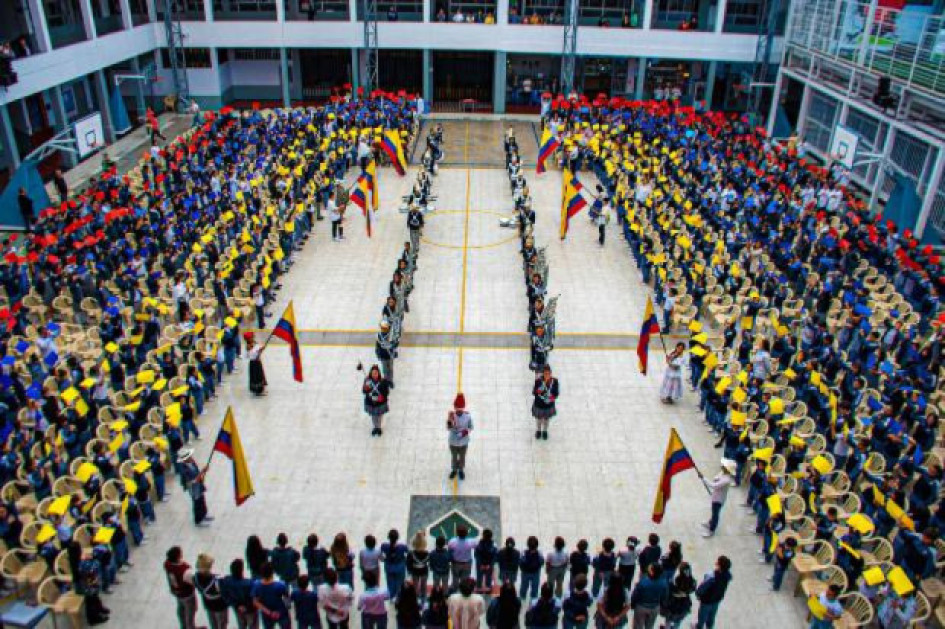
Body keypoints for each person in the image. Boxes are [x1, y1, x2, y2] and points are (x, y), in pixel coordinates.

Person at [164, 546, 198, 629]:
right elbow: (193, 581)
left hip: (176, 591)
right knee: (190, 612)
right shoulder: (184, 569)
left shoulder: (167, 564)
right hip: (187, 594)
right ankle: (191, 627)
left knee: (181, 610)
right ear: (178, 557)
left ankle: (184, 626)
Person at [693, 556, 731, 629]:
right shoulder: (727, 576)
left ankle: (699, 627)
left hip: (707, 601)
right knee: (712, 616)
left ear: (719, 566)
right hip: (717, 599)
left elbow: (702, 588)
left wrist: (698, 594)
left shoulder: (711, 577)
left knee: (702, 616)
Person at [700, 460, 736, 538]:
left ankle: (712, 530)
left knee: (715, 514)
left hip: (718, 500)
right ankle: (710, 522)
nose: (722, 466)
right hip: (715, 496)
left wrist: (704, 479)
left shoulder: (726, 480)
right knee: (713, 512)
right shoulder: (722, 473)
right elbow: (715, 478)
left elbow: (714, 485)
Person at [220, 558, 258, 629]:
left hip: (237, 609)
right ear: (242, 570)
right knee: (253, 625)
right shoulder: (250, 584)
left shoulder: (226, 581)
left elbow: (225, 595)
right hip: (250, 609)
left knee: (241, 624)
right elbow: (254, 598)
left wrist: (237, 605)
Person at [194, 553, 229, 629]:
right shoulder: (217, 580)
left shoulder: (196, 577)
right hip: (220, 605)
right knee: (222, 623)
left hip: (208, 604)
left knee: (213, 623)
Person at [179, 449, 212, 527]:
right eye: (189, 457)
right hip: (193, 488)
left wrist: (203, 472)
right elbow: (191, 482)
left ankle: (204, 515)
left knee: (202, 500)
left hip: (198, 485)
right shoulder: (184, 470)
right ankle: (198, 520)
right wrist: (202, 472)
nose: (191, 457)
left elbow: (197, 473)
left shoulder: (192, 463)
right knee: (197, 503)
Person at [78, 546, 110, 625]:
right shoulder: (85, 564)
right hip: (87, 584)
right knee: (90, 600)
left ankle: (99, 609)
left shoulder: (89, 562)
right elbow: (88, 573)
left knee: (95, 597)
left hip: (92, 582)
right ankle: (93, 619)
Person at [253, 561, 291, 629]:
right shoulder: (280, 585)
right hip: (281, 612)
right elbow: (287, 599)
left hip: (266, 614)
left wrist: (269, 612)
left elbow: (255, 602)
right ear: (272, 573)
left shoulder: (257, 585)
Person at [629, 563, 667, 629]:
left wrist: (632, 604)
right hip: (654, 607)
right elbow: (664, 596)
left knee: (637, 625)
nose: (648, 569)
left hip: (641, 607)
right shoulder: (663, 583)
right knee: (650, 626)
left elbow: (636, 595)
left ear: (652, 572)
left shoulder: (643, 582)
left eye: (650, 568)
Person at [659, 563, 694, 629]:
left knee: (668, 618)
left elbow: (671, 590)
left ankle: (667, 627)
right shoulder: (691, 581)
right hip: (684, 603)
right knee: (678, 620)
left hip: (673, 603)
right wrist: (684, 594)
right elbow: (692, 590)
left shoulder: (676, 580)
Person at [447, 393, 473, 480]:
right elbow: (448, 428)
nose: (458, 411)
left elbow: (471, 427)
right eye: (457, 409)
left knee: (462, 457)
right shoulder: (451, 415)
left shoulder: (468, 416)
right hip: (453, 442)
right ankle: (454, 470)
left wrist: (463, 433)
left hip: (463, 442)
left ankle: (461, 470)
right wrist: (450, 421)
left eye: (460, 409)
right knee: (454, 457)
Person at [363, 364, 392, 436]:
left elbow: (386, 392)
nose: (374, 374)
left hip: (380, 402)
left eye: (376, 373)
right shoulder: (368, 381)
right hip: (371, 401)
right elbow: (364, 391)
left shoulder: (383, 381)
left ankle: (378, 427)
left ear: (378, 373)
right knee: (373, 416)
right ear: (371, 373)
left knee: (379, 415)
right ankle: (375, 427)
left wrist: (382, 397)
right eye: (373, 373)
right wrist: (365, 388)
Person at [532, 364, 559, 440]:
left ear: (551, 373)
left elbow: (556, 394)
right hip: (539, 404)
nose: (547, 375)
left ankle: (545, 431)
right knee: (539, 419)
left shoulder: (555, 381)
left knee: (546, 419)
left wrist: (550, 397)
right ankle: (538, 430)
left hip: (548, 405)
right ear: (543, 373)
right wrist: (539, 390)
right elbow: (534, 392)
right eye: (545, 373)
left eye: (549, 373)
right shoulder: (538, 381)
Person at [407, 531, 430, 599]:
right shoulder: (427, 553)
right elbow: (428, 562)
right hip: (424, 570)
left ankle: (415, 597)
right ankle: (424, 597)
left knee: (415, 585)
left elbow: (408, 564)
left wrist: (409, 570)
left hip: (415, 571)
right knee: (424, 585)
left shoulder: (411, 554)